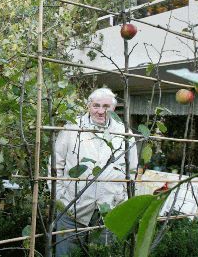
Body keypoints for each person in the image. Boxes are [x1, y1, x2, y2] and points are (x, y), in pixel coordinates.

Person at [52, 87, 138, 257]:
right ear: (89, 106)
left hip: (109, 210)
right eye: (96, 106)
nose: (100, 111)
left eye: (106, 106)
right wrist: (60, 196)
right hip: (72, 209)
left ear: (113, 108)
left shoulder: (124, 133)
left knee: (103, 254)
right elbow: (55, 164)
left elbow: (132, 170)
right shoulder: (72, 128)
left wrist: (123, 199)